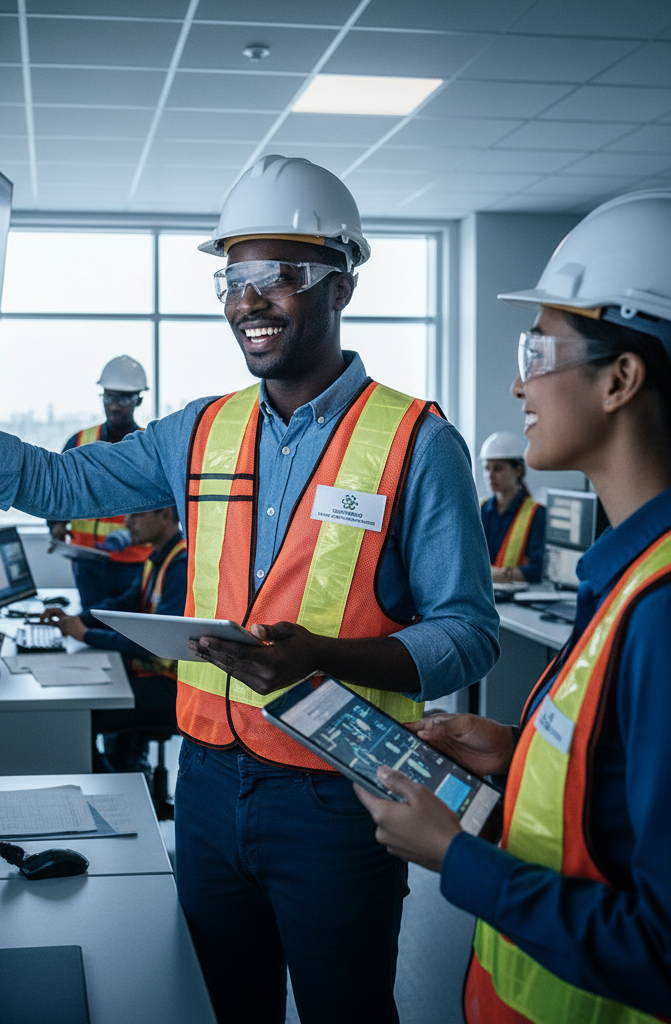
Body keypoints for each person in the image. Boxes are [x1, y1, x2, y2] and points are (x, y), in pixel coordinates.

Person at [0, 154, 499, 1024]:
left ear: (341, 285)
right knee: (218, 1006)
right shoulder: (199, 429)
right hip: (204, 782)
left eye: (280, 275)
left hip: (336, 793)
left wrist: (325, 658)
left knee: (344, 1010)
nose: (250, 299)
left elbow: (468, 633)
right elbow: (49, 483)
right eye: (233, 277)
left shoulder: (417, 441)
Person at [355, 190, 671, 1023]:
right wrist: (520, 750)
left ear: (623, 379)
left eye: (539, 351)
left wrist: (456, 856)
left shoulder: (664, 612)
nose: (517, 381)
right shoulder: (632, 574)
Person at [47, 505, 185, 779]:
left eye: (136, 516)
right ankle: (120, 775)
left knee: (78, 720)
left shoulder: (180, 565)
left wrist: (85, 634)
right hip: (150, 671)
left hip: (173, 688)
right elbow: (124, 605)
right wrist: (78, 620)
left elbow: (153, 644)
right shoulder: (159, 555)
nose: (127, 523)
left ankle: (121, 789)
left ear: (166, 514)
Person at [47, 356, 153, 611]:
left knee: (130, 638)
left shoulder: (149, 446)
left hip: (134, 562)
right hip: (88, 563)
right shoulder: (80, 441)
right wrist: (57, 524)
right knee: (90, 632)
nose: (115, 406)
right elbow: (56, 491)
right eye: (109, 397)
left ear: (138, 399)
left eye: (124, 399)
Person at [479, 430, 546, 583]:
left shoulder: (536, 513)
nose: (490, 475)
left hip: (514, 598)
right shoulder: (479, 509)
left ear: (518, 470)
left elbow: (538, 569)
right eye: (487, 468)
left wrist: (498, 575)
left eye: (498, 468)